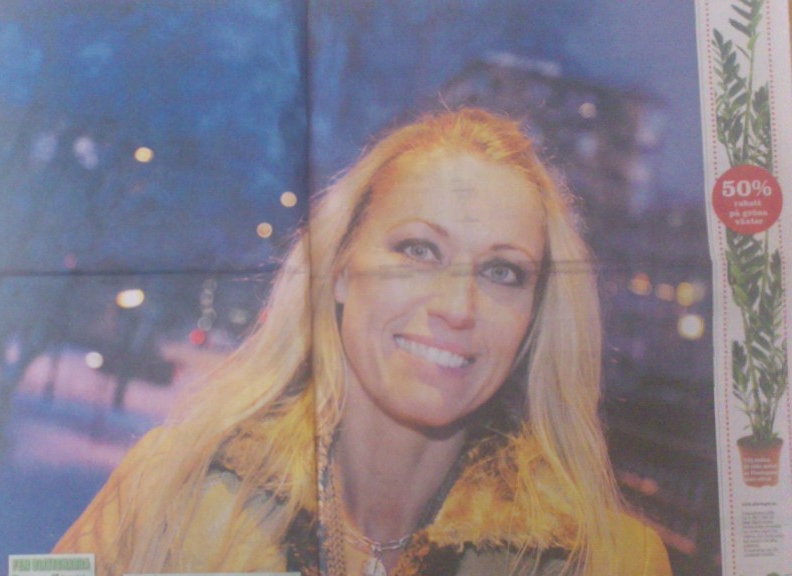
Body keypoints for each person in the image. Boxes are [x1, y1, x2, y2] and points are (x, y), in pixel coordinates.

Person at [53, 108, 672, 576]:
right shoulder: (171, 485)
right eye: (419, 250)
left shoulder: (612, 560)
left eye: (502, 272)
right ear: (342, 269)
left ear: (534, 318)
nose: (458, 308)